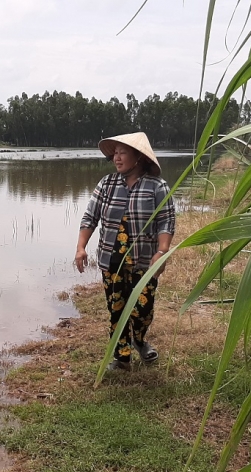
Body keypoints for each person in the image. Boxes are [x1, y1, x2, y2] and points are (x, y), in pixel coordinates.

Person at [74, 132, 176, 371]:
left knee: (143, 309)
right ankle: (122, 357)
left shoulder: (157, 187)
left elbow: (166, 221)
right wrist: (80, 248)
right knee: (116, 308)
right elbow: (90, 217)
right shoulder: (107, 184)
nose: (117, 158)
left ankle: (139, 340)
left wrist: (162, 251)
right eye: (115, 154)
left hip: (144, 261)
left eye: (123, 153)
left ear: (138, 157)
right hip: (112, 259)